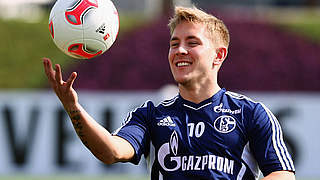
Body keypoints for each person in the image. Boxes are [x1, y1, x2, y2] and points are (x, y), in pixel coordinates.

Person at [43, 5, 295, 180]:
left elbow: (283, 172)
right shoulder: (150, 115)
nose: (180, 50)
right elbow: (112, 151)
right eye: (174, 43)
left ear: (218, 55)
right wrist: (73, 109)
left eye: (192, 42)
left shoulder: (251, 113)